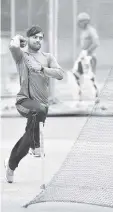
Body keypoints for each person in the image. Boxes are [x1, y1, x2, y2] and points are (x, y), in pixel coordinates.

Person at [5, 25, 64, 183]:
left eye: (40, 38)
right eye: (34, 37)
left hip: (41, 108)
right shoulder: (22, 56)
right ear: (28, 38)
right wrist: (19, 38)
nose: (38, 40)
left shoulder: (48, 57)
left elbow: (60, 74)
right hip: (24, 101)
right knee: (38, 110)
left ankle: (11, 164)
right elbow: (12, 45)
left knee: (28, 138)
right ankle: (36, 144)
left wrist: (42, 68)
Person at [72, 13, 99, 102]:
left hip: (90, 57)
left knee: (90, 76)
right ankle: (80, 94)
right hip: (83, 56)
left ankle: (96, 96)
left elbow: (96, 43)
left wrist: (87, 51)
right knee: (76, 73)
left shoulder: (91, 30)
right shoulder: (83, 32)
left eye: (80, 22)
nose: (79, 24)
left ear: (85, 22)